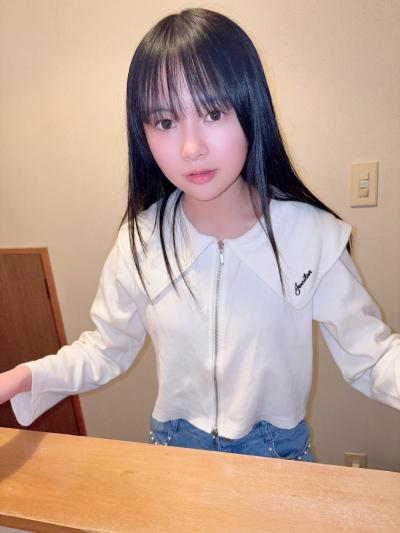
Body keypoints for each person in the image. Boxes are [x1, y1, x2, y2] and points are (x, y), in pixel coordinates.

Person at [1, 8, 399, 463]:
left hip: (278, 458)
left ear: (251, 109)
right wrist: (22, 377)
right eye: (165, 122)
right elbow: (105, 350)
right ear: (143, 133)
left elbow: (372, 357)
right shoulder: (141, 240)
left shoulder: (311, 236)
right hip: (174, 453)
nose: (192, 148)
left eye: (213, 112)